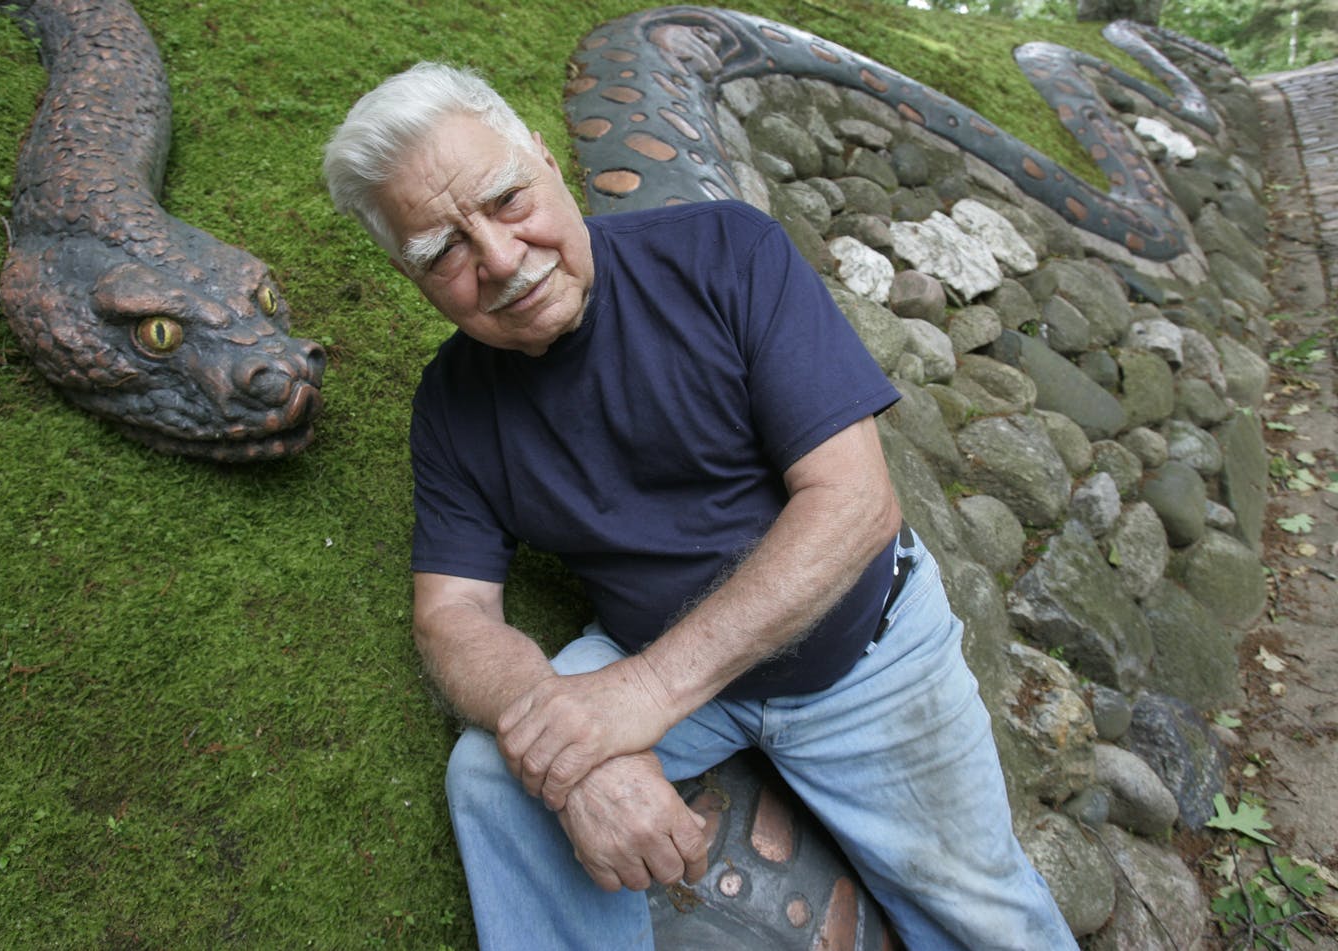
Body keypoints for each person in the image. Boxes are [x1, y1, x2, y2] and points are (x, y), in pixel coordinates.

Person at [323, 61, 1078, 951]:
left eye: (505, 199)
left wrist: (639, 694)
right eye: (442, 250)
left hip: (862, 652)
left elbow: (854, 503)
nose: (497, 258)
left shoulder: (726, 252)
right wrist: (564, 744)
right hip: (661, 660)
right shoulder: (450, 405)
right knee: (494, 772)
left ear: (545, 160)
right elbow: (452, 613)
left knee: (987, 915)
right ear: (408, 275)